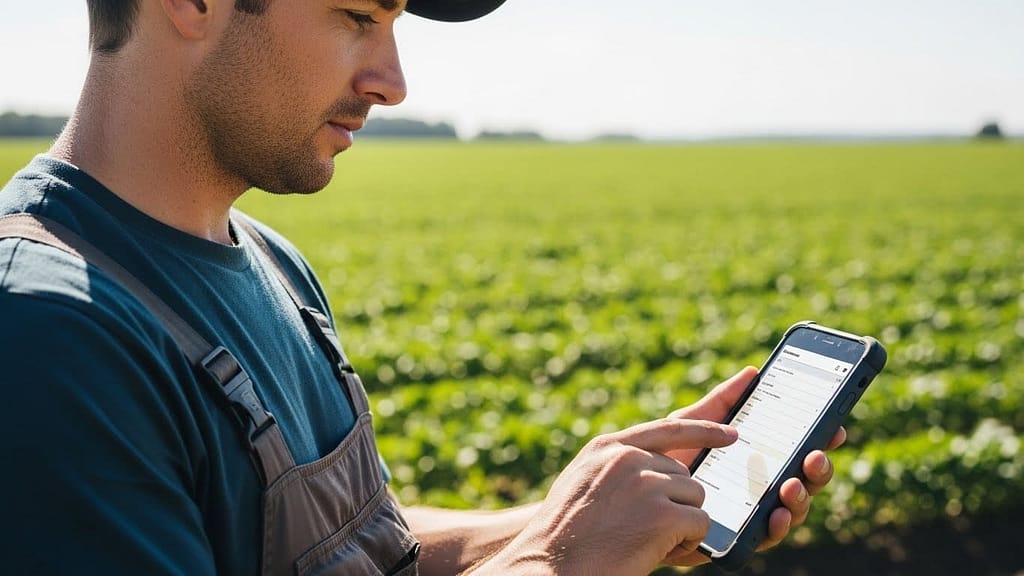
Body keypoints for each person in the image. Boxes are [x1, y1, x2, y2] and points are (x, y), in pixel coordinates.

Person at [0, 0, 844, 574]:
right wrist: (554, 560)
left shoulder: (269, 262)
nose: (393, 82)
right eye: (356, 16)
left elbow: (367, 552)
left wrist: (590, 512)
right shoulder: (46, 333)